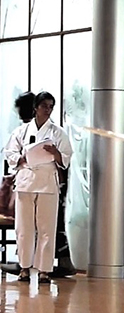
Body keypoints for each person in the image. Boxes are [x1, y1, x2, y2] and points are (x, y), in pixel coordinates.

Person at [3, 92, 73, 284]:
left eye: (51, 106)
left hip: (48, 182)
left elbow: (66, 158)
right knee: (23, 228)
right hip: (25, 180)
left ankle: (44, 271)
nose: (48, 110)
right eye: (44, 106)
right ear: (35, 108)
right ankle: (24, 268)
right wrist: (22, 158)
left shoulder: (58, 133)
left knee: (47, 228)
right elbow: (10, 154)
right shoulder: (21, 131)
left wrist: (56, 153)